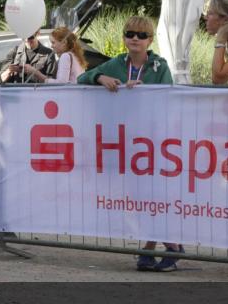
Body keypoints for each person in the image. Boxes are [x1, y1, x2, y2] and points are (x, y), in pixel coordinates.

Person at [77, 16, 181, 272]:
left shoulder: (159, 66)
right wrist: (101, 78)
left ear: (150, 40)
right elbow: (83, 78)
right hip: (126, 143)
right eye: (130, 33)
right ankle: (150, 251)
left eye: (141, 35)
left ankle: (171, 247)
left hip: (153, 142)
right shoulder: (117, 64)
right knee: (138, 199)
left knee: (150, 197)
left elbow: (168, 95)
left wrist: (143, 92)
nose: (135, 38)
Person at [21, 27, 86, 83]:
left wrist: (35, 73)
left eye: (53, 42)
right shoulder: (75, 55)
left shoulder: (65, 56)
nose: (52, 46)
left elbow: (61, 83)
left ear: (64, 42)